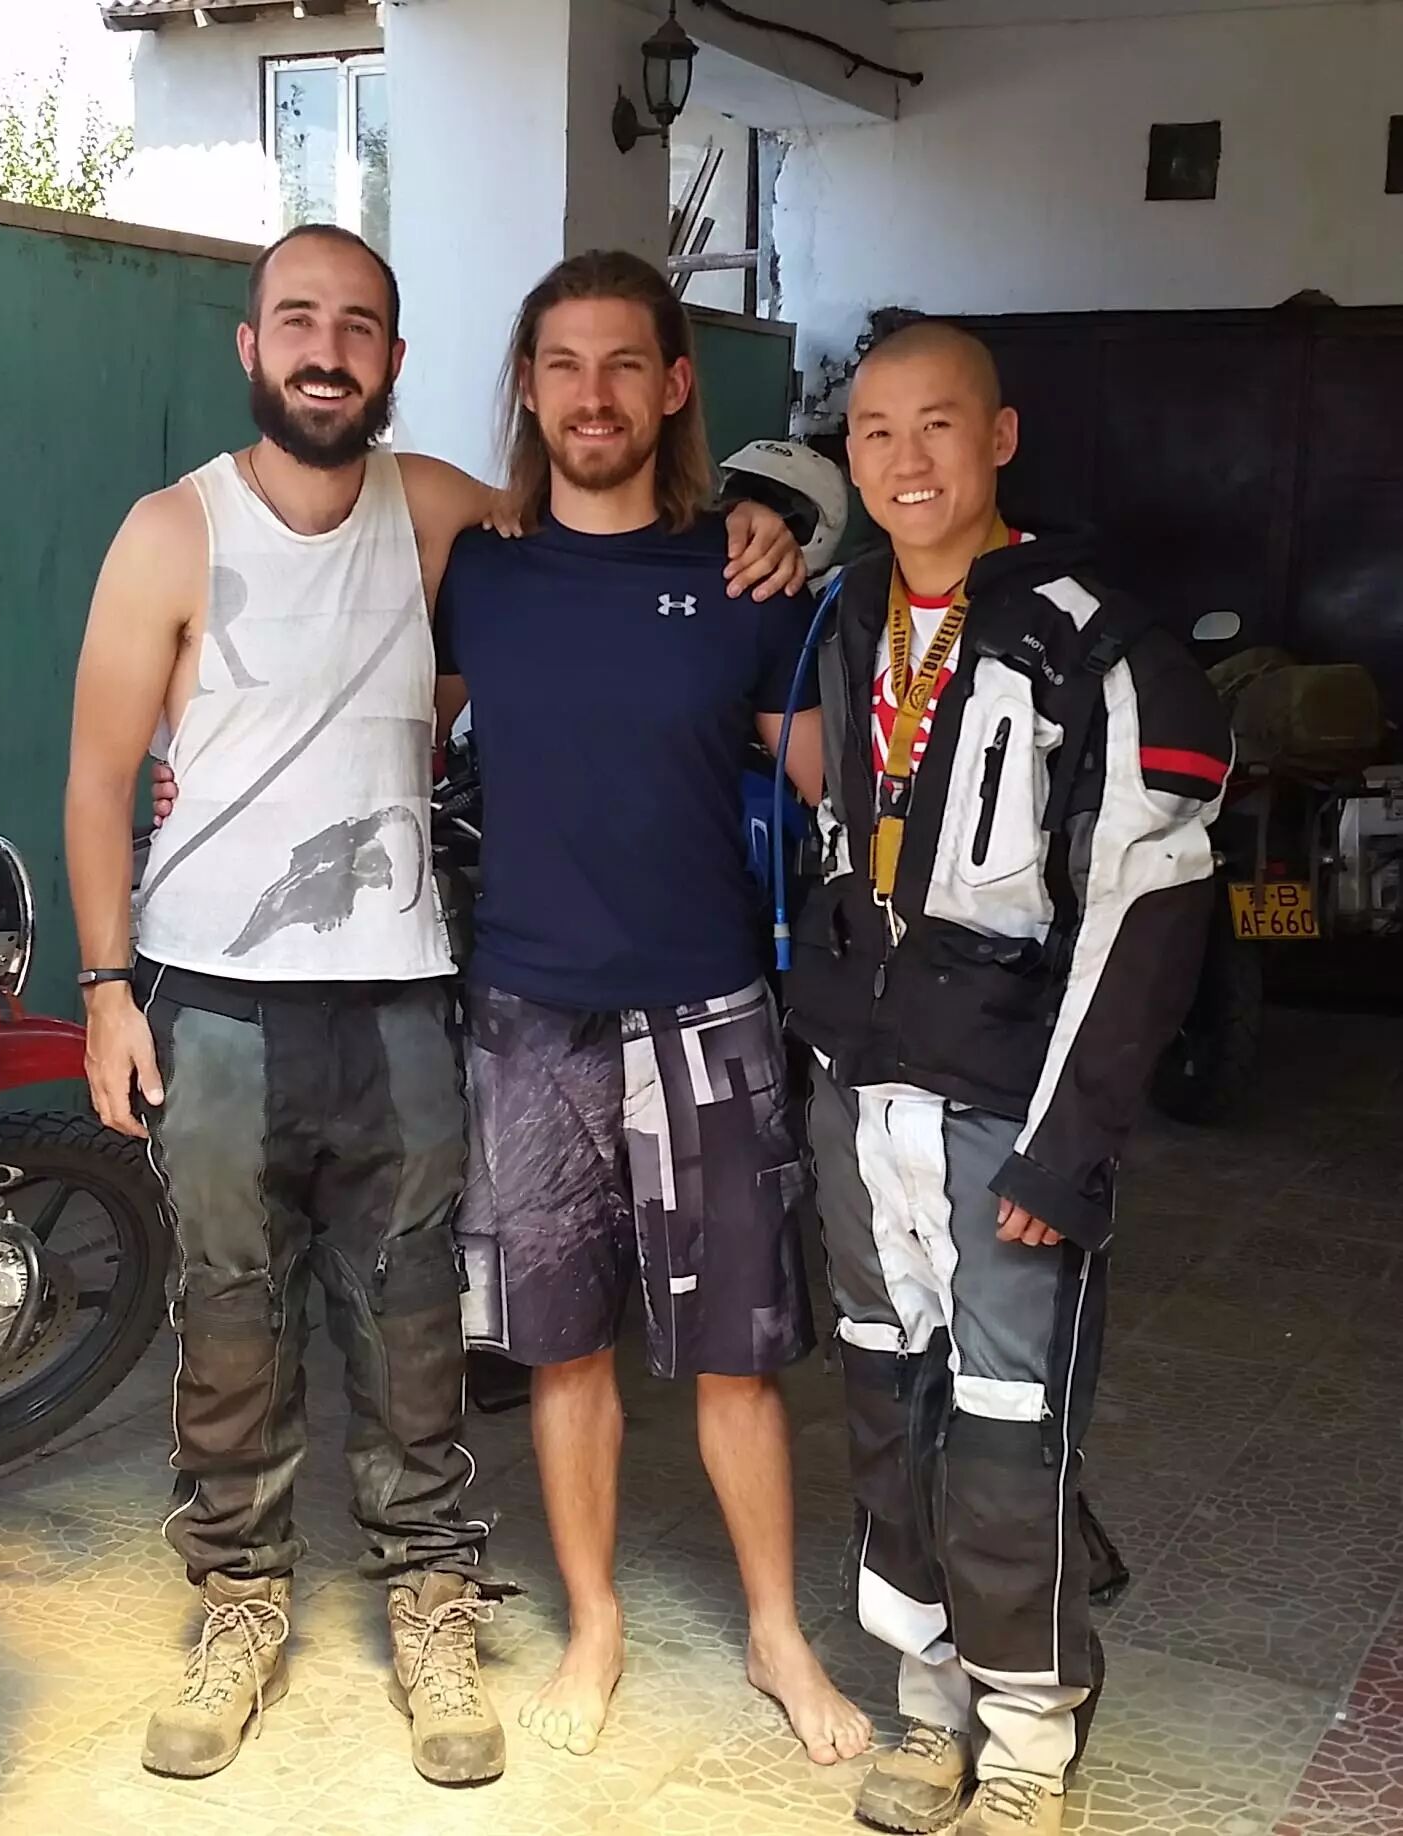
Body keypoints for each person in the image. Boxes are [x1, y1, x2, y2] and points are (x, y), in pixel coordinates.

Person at [63, 223, 803, 1788]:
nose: (327, 351)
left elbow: (601, 540)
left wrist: (759, 523)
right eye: (298, 321)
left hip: (404, 985)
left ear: (396, 360)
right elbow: (97, 772)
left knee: (415, 1317)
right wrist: (106, 985)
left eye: (359, 326)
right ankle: (240, 1606)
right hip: (214, 996)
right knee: (230, 1311)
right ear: (251, 346)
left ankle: (434, 1603)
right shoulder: (169, 531)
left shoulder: (448, 521)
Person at [786, 319, 1231, 1836]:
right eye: (875, 432)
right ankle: (930, 1701)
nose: (905, 459)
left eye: (938, 425)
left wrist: (1069, 1146)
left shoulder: (1102, 644)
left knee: (1005, 1423)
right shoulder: (850, 614)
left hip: (1007, 1111)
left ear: (1000, 438)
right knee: (885, 1398)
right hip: (864, 1100)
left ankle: (1031, 1732)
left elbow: (1145, 912)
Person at [429, 250, 872, 1771]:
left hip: (708, 1006)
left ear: (675, 385)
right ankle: (595, 1624)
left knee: (739, 1355)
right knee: (563, 1349)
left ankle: (777, 1633)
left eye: (625, 362)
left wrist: (819, 547)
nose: (593, 394)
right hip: (529, 1012)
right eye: (562, 364)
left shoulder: (743, 582)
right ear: (528, 387)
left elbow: (837, 776)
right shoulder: (479, 575)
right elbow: (388, 715)